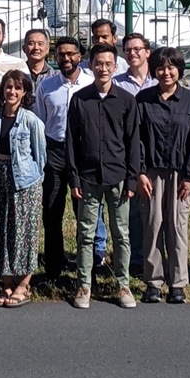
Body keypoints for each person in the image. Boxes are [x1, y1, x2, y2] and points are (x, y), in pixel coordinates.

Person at [66, 42, 140, 309]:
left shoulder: (126, 101)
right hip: (87, 178)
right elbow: (71, 141)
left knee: (121, 234)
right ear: (91, 65)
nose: (104, 69)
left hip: (118, 177)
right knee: (85, 234)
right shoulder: (80, 99)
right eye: (99, 64)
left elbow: (133, 143)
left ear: (115, 65)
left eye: (109, 64)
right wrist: (74, 178)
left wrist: (132, 178)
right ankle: (84, 285)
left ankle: (123, 285)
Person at [135, 48, 190, 304]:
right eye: (161, 67)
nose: (166, 72)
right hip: (151, 173)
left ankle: (177, 284)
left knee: (177, 226)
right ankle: (153, 283)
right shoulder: (143, 100)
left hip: (180, 174)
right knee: (152, 225)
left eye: (171, 67)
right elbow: (137, 140)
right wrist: (140, 172)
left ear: (179, 70)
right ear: (154, 70)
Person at [0, 69, 46, 307]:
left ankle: (23, 284)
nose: (12, 91)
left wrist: (34, 181)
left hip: (24, 182)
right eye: (9, 87)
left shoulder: (31, 120)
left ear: (25, 92)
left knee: (23, 232)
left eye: (18, 88)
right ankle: (7, 283)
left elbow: (40, 156)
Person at [34, 36, 93, 282]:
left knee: (86, 215)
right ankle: (53, 268)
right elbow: (39, 121)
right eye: (61, 55)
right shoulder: (46, 86)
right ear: (55, 57)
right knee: (52, 212)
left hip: (83, 154)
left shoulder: (91, 83)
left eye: (71, 54)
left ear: (80, 56)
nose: (66, 58)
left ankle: (85, 268)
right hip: (55, 152)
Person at [113, 31, 157, 273]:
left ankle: (158, 257)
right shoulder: (118, 83)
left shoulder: (160, 79)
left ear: (147, 52)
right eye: (128, 50)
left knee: (156, 210)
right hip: (126, 153)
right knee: (130, 211)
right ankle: (135, 260)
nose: (132, 53)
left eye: (137, 49)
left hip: (155, 152)